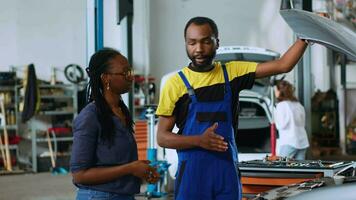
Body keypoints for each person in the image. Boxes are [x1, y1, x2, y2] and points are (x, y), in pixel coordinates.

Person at [156, 16, 309, 200]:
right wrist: (199, 140)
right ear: (186, 44)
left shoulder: (233, 72)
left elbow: (283, 65)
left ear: (217, 42)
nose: (199, 49)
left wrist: (306, 35)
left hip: (226, 173)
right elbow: (162, 138)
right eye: (192, 43)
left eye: (206, 41)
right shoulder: (175, 83)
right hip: (192, 176)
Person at [70, 48, 159, 200]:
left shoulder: (121, 111)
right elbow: (79, 175)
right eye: (125, 73)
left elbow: (113, 161)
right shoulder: (90, 117)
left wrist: (139, 170)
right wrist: (130, 168)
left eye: (130, 72)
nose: (131, 77)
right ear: (106, 78)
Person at [274, 80, 309, 160]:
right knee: (300, 169)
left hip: (289, 141)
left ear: (280, 91)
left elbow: (280, 125)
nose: (275, 92)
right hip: (302, 141)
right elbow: (303, 123)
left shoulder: (281, 105)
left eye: (276, 90)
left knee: (282, 167)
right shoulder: (298, 105)